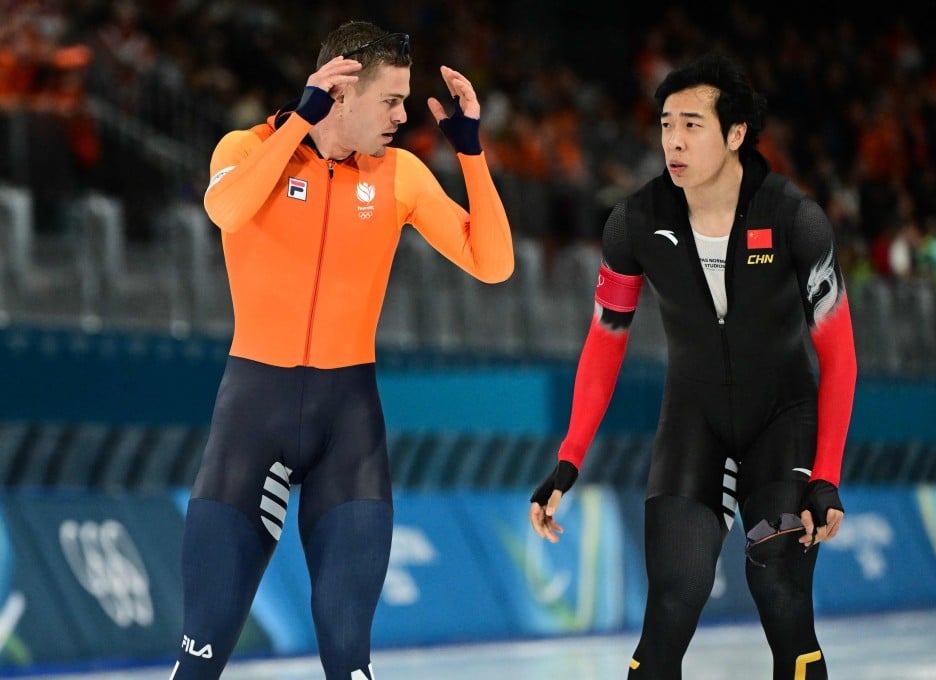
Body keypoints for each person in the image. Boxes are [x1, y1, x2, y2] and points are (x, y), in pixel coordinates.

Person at [172, 21, 513, 679]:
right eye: (390, 100)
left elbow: (492, 263)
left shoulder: (400, 176)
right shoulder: (247, 147)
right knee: (202, 654)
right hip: (253, 417)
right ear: (342, 91)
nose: (402, 115)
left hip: (347, 426)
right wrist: (300, 123)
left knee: (349, 660)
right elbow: (227, 211)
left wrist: (472, 156)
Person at [530, 52, 857, 679]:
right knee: (672, 605)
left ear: (735, 135)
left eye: (692, 125)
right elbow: (605, 341)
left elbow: (838, 357)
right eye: (664, 125)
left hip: (782, 423)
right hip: (693, 423)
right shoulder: (636, 222)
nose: (673, 141)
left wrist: (825, 474)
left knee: (780, 595)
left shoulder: (794, 219)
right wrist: (568, 461)